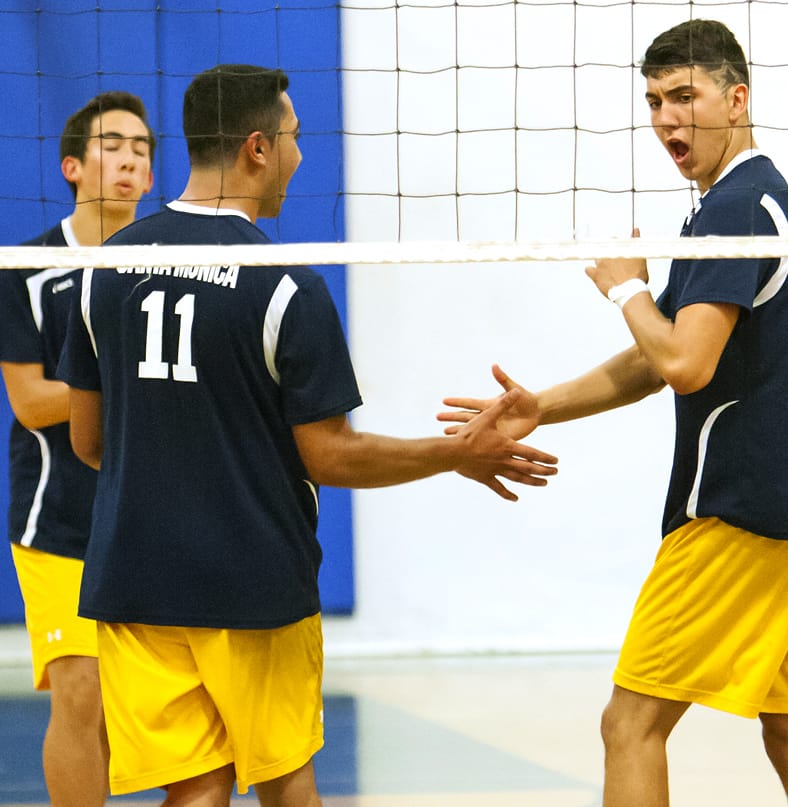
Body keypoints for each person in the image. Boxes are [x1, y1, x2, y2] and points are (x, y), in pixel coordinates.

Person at [55, 64, 558, 806]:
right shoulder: (286, 284)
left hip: (134, 574)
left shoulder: (107, 268)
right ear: (257, 148)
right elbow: (330, 455)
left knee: (194, 790)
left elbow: (88, 442)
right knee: (286, 780)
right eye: (293, 137)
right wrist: (456, 451)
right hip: (250, 580)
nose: (299, 153)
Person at [440, 19, 788, 807]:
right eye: (654, 100)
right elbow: (654, 356)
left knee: (628, 723)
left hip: (743, 514)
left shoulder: (738, 204)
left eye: (684, 96)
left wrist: (624, 285)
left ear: (736, 99)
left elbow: (681, 362)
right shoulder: (745, 202)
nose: (666, 117)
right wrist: (541, 405)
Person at [0, 90, 155, 807]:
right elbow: (31, 402)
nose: (128, 159)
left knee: (159, 703)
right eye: (112, 145)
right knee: (80, 689)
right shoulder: (21, 268)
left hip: (149, 512)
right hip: (57, 515)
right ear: (72, 165)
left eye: (142, 149)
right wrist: (119, 378)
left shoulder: (172, 266)